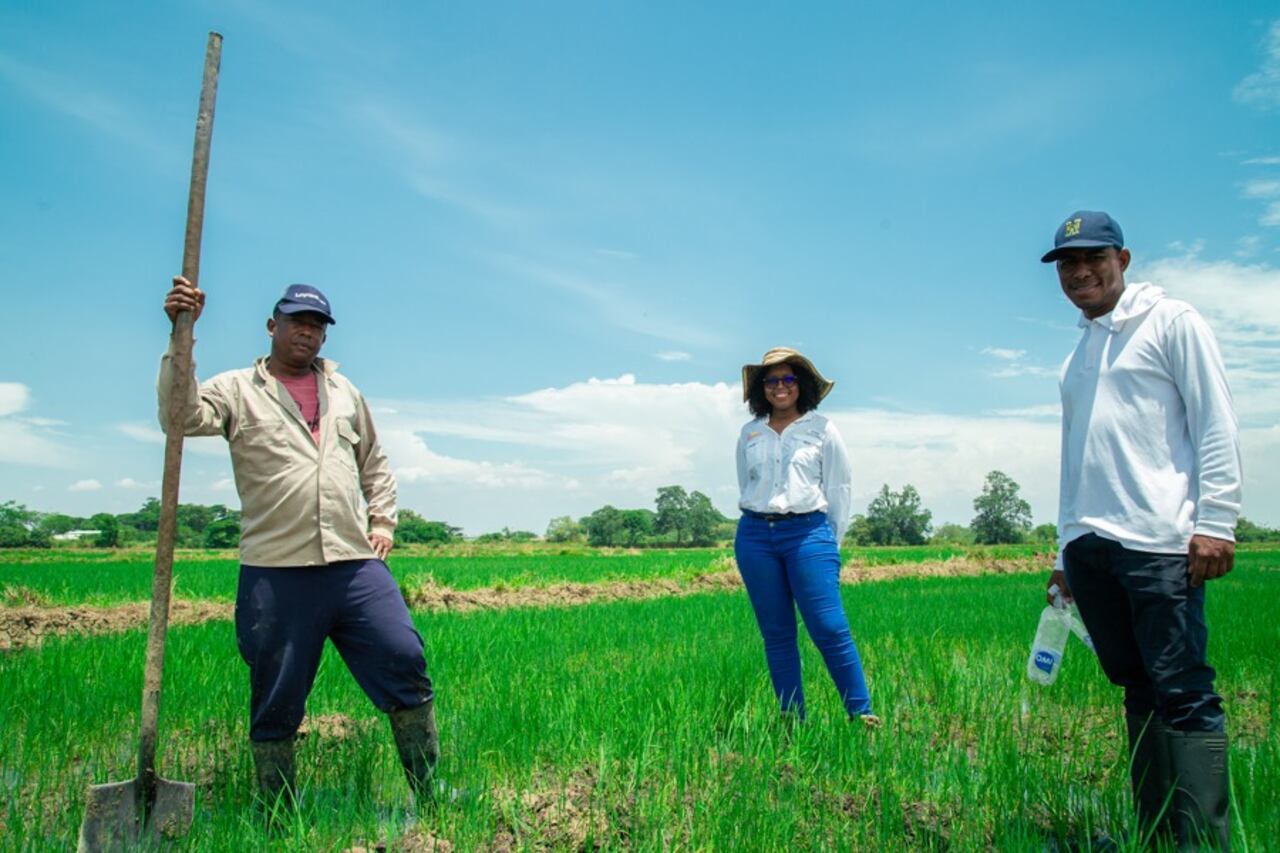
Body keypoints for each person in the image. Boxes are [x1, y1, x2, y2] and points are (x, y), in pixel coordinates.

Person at [159, 278, 440, 813]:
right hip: (277, 568)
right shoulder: (236, 389)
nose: (306, 334)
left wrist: (383, 520)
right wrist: (182, 335)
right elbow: (179, 417)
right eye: (296, 323)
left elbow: (374, 461)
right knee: (277, 693)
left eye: (316, 327)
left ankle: (430, 792)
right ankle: (277, 812)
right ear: (273, 327)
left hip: (354, 561)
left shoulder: (345, 392)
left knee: (404, 658)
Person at [1041, 211, 1240, 849]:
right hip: (1090, 546)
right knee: (1135, 686)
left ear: (1123, 259)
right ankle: (1154, 832)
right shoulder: (1078, 353)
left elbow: (1215, 422)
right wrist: (1062, 550)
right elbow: (1075, 456)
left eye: (1092, 258)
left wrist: (1216, 521)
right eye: (1067, 264)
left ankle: (1201, 841)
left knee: (1183, 688)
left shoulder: (1172, 322)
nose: (1079, 272)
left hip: (1158, 540)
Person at [734, 347, 876, 726]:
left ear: (801, 385)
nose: (780, 386)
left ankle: (861, 715)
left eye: (788, 379)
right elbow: (745, 483)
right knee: (777, 634)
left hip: (808, 534)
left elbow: (840, 488)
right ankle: (792, 721)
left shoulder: (822, 429)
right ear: (761, 388)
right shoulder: (750, 433)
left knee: (829, 627)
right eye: (772, 380)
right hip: (754, 537)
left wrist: (831, 544)